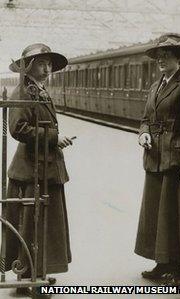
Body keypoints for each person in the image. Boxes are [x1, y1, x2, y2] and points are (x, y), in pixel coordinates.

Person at [135, 33, 180, 286]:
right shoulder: (155, 86)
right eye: (159, 57)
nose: (161, 60)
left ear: (178, 58)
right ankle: (161, 262)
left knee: (174, 215)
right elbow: (145, 119)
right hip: (154, 157)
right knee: (155, 213)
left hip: (175, 160)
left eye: (167, 56)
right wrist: (143, 135)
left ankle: (178, 269)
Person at [5, 43, 73, 295]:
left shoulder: (38, 90)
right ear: (29, 66)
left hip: (44, 167)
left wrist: (53, 139)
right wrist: (53, 138)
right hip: (31, 170)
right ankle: (31, 277)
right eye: (42, 64)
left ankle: (37, 272)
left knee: (41, 223)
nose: (47, 69)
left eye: (49, 64)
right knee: (32, 223)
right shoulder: (24, 91)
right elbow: (18, 129)